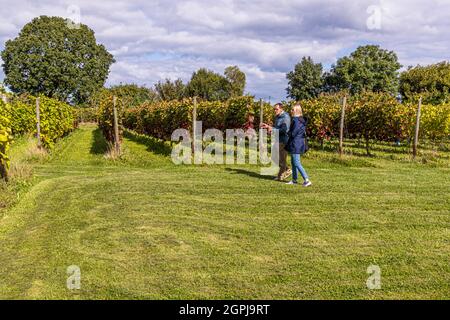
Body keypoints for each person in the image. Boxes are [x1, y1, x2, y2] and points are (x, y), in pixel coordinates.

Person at [260, 103, 292, 181]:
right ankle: (287, 170)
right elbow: (277, 129)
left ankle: (280, 175)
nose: (275, 110)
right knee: (274, 158)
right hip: (278, 139)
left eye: (276, 109)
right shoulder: (277, 117)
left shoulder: (285, 117)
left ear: (281, 109)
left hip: (284, 140)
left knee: (281, 158)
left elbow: (284, 130)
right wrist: (268, 128)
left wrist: (272, 129)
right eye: (274, 109)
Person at [285, 104, 312, 187]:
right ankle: (294, 180)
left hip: (296, 143)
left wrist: (287, 132)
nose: (291, 111)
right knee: (293, 162)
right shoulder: (300, 120)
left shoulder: (296, 120)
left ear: (296, 111)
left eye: (292, 110)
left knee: (296, 162)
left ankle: (306, 180)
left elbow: (293, 133)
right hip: (298, 142)